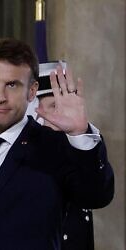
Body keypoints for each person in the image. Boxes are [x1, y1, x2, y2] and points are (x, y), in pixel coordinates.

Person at [0, 38, 114, 250]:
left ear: (32, 91)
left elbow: (96, 195)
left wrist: (79, 134)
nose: (0, 97)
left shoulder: (54, 147)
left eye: (12, 85)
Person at [37, 61, 94, 250]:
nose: (63, 114)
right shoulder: (23, 155)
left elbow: (100, 192)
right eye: (54, 105)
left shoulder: (84, 148)